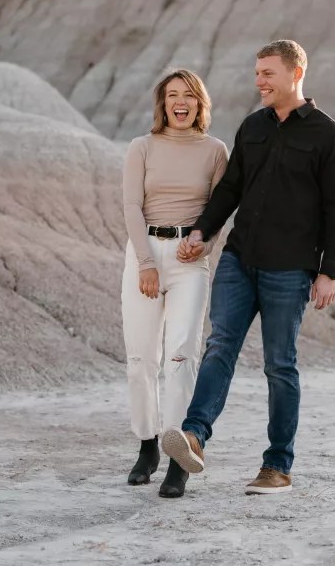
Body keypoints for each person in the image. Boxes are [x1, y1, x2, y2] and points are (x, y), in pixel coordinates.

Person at [162, 39, 335, 495]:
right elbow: (229, 190)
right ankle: (194, 436)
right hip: (239, 260)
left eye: (267, 73)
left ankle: (277, 466)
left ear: (296, 72)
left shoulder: (327, 134)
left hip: (291, 269)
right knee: (221, 346)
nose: (259, 81)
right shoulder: (252, 127)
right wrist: (201, 231)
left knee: (279, 365)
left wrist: (330, 271)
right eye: (257, 72)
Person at [121, 69, 228, 498]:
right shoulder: (141, 147)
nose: (180, 103)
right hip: (145, 254)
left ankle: (178, 455)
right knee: (140, 358)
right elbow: (132, 205)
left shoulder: (216, 151)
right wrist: (146, 262)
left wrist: (203, 246)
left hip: (190, 261)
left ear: (200, 103)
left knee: (182, 356)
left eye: (188, 96)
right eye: (171, 96)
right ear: (162, 103)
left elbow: (218, 210)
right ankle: (147, 445)